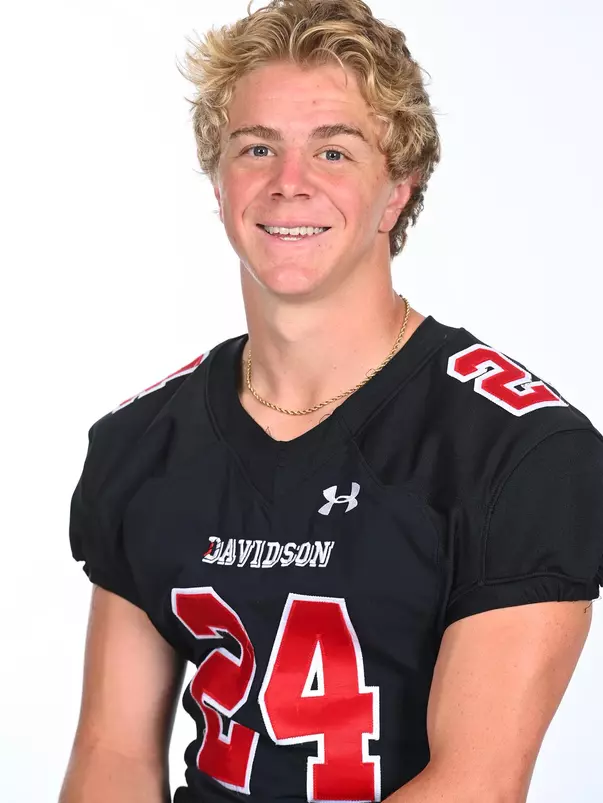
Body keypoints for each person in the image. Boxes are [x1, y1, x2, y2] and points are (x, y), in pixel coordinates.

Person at [60, 1, 603, 801]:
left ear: (395, 194)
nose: (289, 183)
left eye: (334, 151)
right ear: (218, 184)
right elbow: (113, 755)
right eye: (256, 147)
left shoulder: (517, 449)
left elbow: (477, 784)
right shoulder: (142, 443)